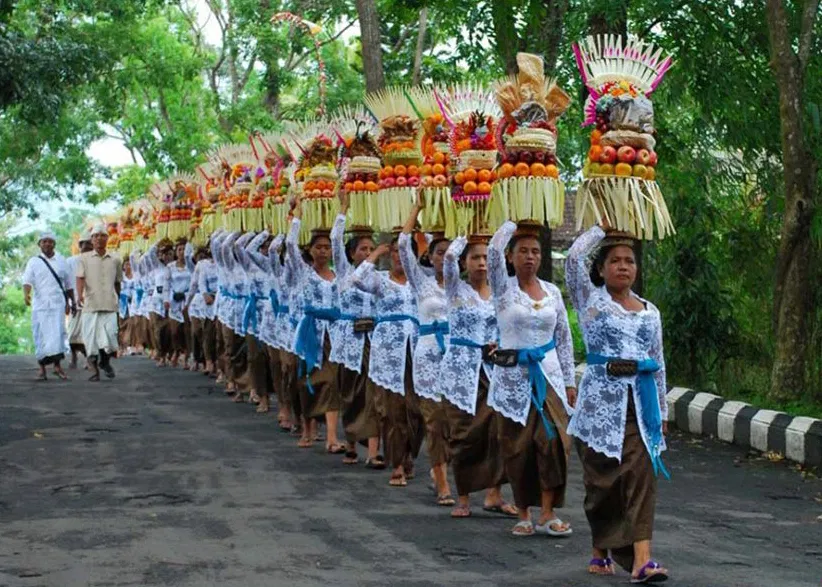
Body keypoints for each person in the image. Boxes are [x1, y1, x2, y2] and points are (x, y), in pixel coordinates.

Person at [565, 223, 669, 583]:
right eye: (615, 261)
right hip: (599, 405)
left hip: (640, 405)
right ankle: (600, 549)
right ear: (601, 268)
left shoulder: (650, 312)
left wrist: (662, 410)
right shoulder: (591, 301)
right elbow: (573, 259)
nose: (623, 266)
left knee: (641, 476)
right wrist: (599, 230)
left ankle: (643, 559)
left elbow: (658, 361)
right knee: (602, 483)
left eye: (629, 261)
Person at [486, 220, 576, 536]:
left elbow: (563, 337)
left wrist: (569, 381)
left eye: (535, 251)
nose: (530, 257)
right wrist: (514, 221)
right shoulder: (502, 289)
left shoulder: (552, 292)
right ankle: (523, 512)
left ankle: (548, 513)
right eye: (522, 251)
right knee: (518, 446)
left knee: (555, 442)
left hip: (549, 378)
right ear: (510, 257)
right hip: (513, 379)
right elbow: (492, 250)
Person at [441, 236, 516, 519]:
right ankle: (462, 496)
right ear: (464, 262)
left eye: (486, 257)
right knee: (463, 432)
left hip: (493, 369)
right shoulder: (455, 289)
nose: (482, 263)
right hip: (461, 370)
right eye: (475, 257)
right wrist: (467, 230)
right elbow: (448, 258)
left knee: (497, 431)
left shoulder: (501, 292)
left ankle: (494, 494)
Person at [351, 237, 423, 487]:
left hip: (415, 350)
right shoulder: (380, 280)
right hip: (388, 352)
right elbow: (357, 279)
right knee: (393, 409)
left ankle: (409, 453)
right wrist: (375, 254)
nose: (398, 256)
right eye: (394, 252)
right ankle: (398, 464)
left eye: (404, 252)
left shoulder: (420, 282)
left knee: (415, 408)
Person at [398, 195, 454, 506]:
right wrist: (417, 208)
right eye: (440, 253)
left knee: (457, 421)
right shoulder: (422, 284)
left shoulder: (466, 287)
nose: (446, 258)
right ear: (430, 258)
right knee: (435, 419)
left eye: (451, 253)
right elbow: (403, 245)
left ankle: (441, 468)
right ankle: (442, 479)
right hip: (429, 356)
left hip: (459, 358)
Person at [286, 197, 344, 452]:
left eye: (327, 247)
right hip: (309, 332)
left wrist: (343, 211)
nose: (323, 251)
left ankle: (331, 437)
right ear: (310, 250)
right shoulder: (304, 273)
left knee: (331, 382)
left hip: (333, 334)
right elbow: (290, 244)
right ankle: (307, 428)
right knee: (307, 380)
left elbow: (339, 240)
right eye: (318, 247)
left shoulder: (338, 274)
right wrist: (297, 216)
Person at [331, 197, 383, 467]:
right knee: (350, 394)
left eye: (371, 249)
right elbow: (335, 239)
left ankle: (373, 452)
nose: (368, 253)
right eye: (363, 249)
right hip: (348, 340)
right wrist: (343, 209)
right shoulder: (343, 272)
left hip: (373, 339)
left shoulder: (379, 279)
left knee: (372, 393)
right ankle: (351, 443)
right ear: (352, 254)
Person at [22, 231, 73, 381]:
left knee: (57, 335)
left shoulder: (62, 261)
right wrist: (26, 294)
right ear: (39, 244)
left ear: (54, 244)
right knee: (40, 335)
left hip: (57, 304)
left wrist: (72, 302)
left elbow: (69, 284)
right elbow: (27, 280)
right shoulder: (33, 262)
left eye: (50, 241)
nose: (47, 244)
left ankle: (57, 367)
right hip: (40, 305)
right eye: (44, 241)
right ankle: (42, 370)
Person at [76, 224, 123, 381]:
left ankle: (105, 362)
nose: (99, 238)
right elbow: (80, 278)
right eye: (95, 236)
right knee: (91, 340)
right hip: (91, 304)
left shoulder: (116, 259)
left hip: (109, 304)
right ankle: (95, 371)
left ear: (107, 238)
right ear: (92, 240)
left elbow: (118, 282)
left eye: (102, 235)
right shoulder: (84, 259)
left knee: (110, 337)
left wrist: (118, 298)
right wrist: (79, 295)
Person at [66, 231, 92, 369]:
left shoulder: (96, 261)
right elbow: (66, 283)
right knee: (73, 333)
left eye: (89, 244)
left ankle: (89, 360)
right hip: (75, 303)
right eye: (84, 244)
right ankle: (74, 357)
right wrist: (68, 302)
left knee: (89, 333)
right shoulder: (70, 261)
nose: (87, 246)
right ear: (80, 246)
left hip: (91, 303)